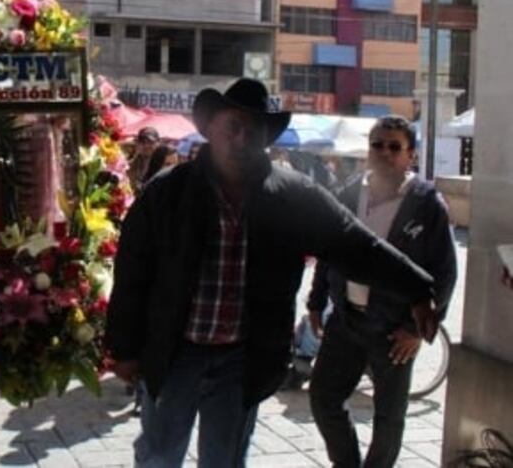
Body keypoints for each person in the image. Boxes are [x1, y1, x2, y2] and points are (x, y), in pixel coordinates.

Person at [105, 78, 440, 468]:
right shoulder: (167, 192)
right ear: (211, 126)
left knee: (225, 461)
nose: (242, 135)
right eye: (233, 124)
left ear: (266, 138)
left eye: (255, 128)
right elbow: (132, 270)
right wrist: (123, 348)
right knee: (159, 457)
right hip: (174, 353)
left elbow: (353, 243)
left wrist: (418, 288)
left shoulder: (292, 195)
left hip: (241, 359)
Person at [308, 115, 457, 468]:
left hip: (394, 331)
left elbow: (445, 273)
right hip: (346, 322)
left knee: (389, 418)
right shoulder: (347, 192)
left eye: (395, 147)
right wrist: (316, 302)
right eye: (378, 145)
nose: (385, 153)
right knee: (323, 398)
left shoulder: (427, 204)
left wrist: (416, 330)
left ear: (411, 156)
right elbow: (328, 249)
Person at [127, 127, 160, 194]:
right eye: (143, 142)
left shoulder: (163, 161)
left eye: (150, 142)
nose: (146, 146)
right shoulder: (133, 159)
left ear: (158, 143)